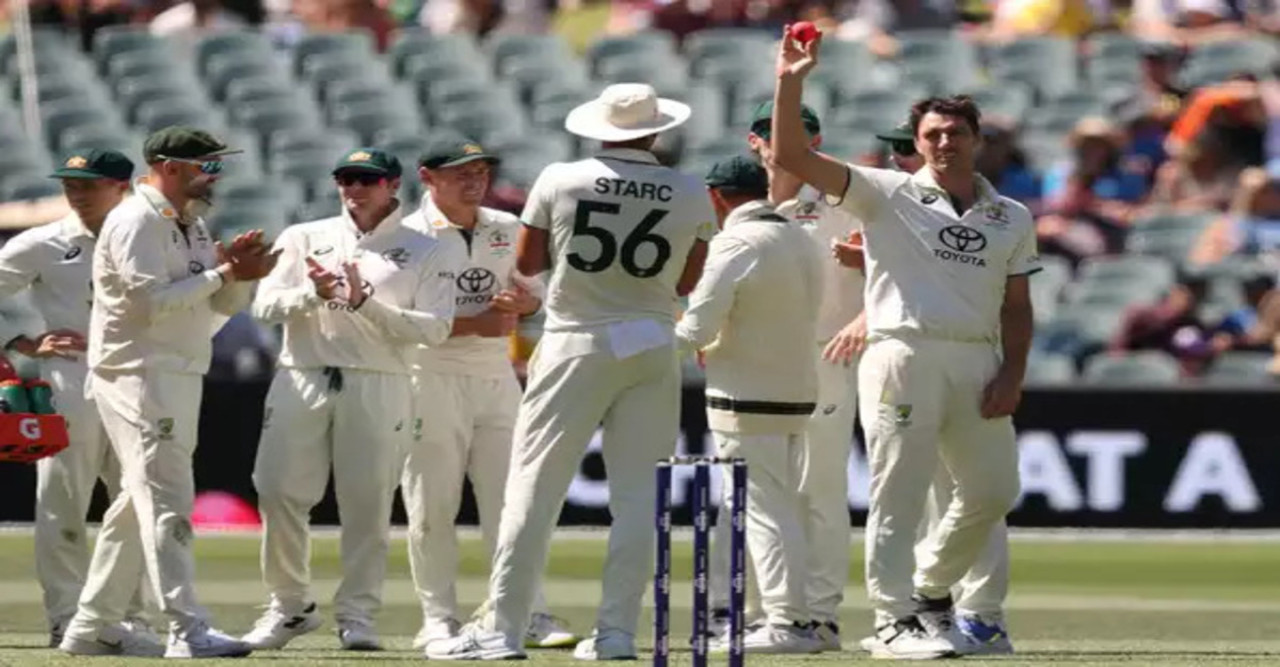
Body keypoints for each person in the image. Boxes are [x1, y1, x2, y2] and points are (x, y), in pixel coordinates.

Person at [770, 28, 1040, 660]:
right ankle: (895, 621)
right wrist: (791, 79)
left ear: (977, 139)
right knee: (899, 493)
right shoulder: (885, 193)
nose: (945, 143)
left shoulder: (1012, 216)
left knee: (994, 490)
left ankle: (928, 590)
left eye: (956, 133)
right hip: (902, 351)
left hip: (977, 357)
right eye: (932, 136)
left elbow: (1018, 308)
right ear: (916, 146)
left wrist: (1013, 374)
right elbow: (791, 156)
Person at [425, 82, 716, 661]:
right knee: (638, 500)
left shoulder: (562, 177)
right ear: (655, 131)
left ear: (600, 126)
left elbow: (529, 264)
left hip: (575, 340)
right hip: (653, 340)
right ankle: (615, 635)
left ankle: (504, 630)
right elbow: (686, 281)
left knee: (532, 490)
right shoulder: (688, 190)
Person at [60, 126, 277, 659]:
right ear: (171, 166)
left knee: (139, 503)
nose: (215, 176)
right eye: (209, 166)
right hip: (136, 375)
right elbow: (150, 305)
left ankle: (91, 626)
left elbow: (215, 312)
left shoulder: (193, 224)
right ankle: (187, 628)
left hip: (178, 372)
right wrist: (225, 271)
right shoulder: (135, 221)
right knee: (166, 501)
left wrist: (241, 278)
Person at [241, 148, 465, 652]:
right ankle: (289, 606)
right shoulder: (305, 236)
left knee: (367, 503)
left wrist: (366, 304)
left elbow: (436, 329)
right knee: (277, 490)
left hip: (380, 379)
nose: (354, 188)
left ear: (392, 185)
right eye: (346, 178)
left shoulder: (428, 249)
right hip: (302, 373)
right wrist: (314, 296)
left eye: (366, 179)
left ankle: (358, 615)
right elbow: (264, 305)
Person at [399, 137, 576, 650]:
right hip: (428, 378)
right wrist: (474, 323)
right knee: (432, 504)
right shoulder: (406, 236)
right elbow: (393, 320)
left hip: (497, 380)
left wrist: (524, 302)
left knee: (513, 503)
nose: (475, 180)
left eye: (480, 171)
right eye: (460, 172)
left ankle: (523, 610)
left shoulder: (506, 228)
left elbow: (537, 291)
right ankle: (438, 617)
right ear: (428, 177)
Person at [706, 102, 866, 652]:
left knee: (817, 489)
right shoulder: (731, 200)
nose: (806, 148)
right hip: (753, 360)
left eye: (812, 137)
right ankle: (756, 611)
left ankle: (817, 615)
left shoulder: (846, 196)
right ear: (757, 142)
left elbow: (896, 267)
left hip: (827, 355)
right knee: (752, 493)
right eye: (789, 137)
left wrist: (865, 316)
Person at [0, 150, 155, 648]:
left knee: (137, 500)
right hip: (70, 379)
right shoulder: (45, 242)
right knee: (61, 500)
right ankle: (67, 615)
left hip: (138, 377)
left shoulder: (149, 239)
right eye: (70, 183)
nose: (76, 192)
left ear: (122, 186)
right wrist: (20, 344)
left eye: (89, 184)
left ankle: (131, 617)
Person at [677, 154, 824, 654]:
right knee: (779, 504)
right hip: (796, 392)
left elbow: (698, 326)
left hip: (747, 396)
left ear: (717, 196)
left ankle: (787, 621)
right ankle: (788, 617)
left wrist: (642, 348)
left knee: (763, 508)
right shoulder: (801, 238)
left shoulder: (736, 241)